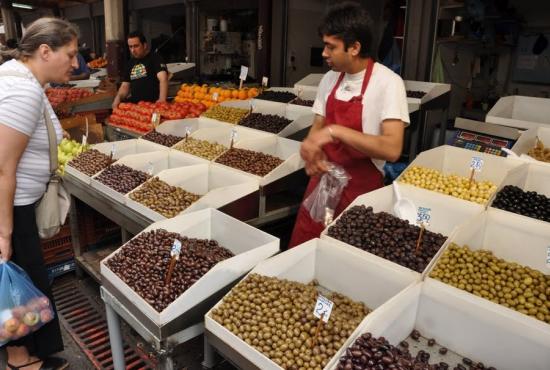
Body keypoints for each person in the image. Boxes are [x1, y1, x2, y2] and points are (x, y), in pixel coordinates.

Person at [289, 2, 409, 247]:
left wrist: (336, 132)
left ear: (355, 47)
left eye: (331, 47)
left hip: (359, 193)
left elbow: (392, 148)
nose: (324, 53)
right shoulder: (329, 80)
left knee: (343, 260)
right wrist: (312, 148)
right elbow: (318, 126)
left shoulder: (388, 83)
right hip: (322, 188)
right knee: (304, 250)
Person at [0, 17, 79, 370]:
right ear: (45, 51)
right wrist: (4, 232)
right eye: (71, 54)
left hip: (15, 204)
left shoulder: (19, 78)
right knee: (15, 282)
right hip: (10, 208)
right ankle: (19, 359)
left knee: (23, 280)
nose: (76, 64)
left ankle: (28, 352)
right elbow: (3, 168)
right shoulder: (23, 90)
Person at [112, 31, 168, 109]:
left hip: (152, 106)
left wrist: (162, 99)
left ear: (144, 45)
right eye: (130, 47)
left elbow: (163, 78)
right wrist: (118, 97)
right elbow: (125, 86)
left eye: (136, 46)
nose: (133, 50)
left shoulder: (155, 58)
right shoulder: (130, 63)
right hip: (135, 107)